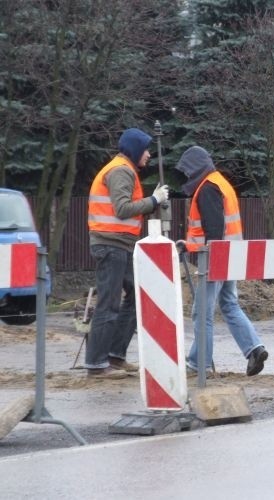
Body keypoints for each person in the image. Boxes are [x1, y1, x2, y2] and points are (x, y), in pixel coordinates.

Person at [175, 145, 268, 377]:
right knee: (228, 304)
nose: (186, 176)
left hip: (216, 258)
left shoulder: (207, 189)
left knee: (201, 312)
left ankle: (199, 364)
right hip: (230, 256)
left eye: (187, 171)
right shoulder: (220, 183)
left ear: (195, 167)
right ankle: (255, 349)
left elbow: (214, 233)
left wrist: (190, 246)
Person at [86, 128, 170, 379]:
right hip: (111, 245)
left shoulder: (124, 169)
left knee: (136, 297)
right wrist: (153, 200)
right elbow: (122, 209)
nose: (148, 155)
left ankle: (115, 356)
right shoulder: (121, 170)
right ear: (134, 149)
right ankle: (97, 364)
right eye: (145, 149)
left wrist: (151, 202)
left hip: (119, 246)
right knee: (109, 304)